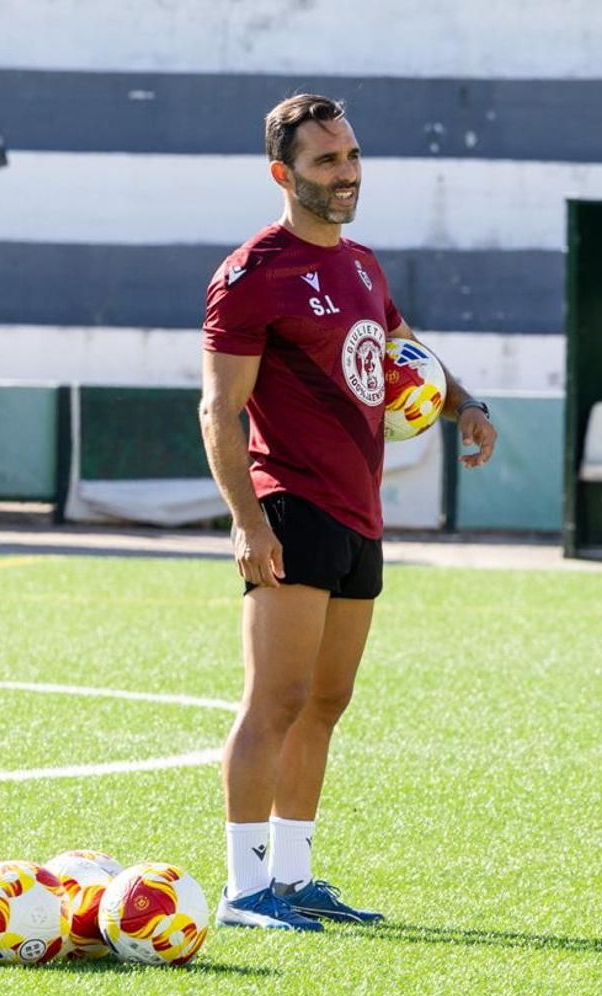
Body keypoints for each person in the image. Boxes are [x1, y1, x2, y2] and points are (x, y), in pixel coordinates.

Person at [198, 94, 498, 930]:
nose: (347, 173)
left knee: (328, 701)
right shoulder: (252, 274)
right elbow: (219, 410)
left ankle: (294, 877)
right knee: (276, 700)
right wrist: (247, 519)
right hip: (289, 506)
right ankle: (244, 888)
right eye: (327, 161)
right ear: (282, 173)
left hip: (359, 511)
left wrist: (464, 400)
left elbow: (405, 352)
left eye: (353, 156)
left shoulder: (363, 265)